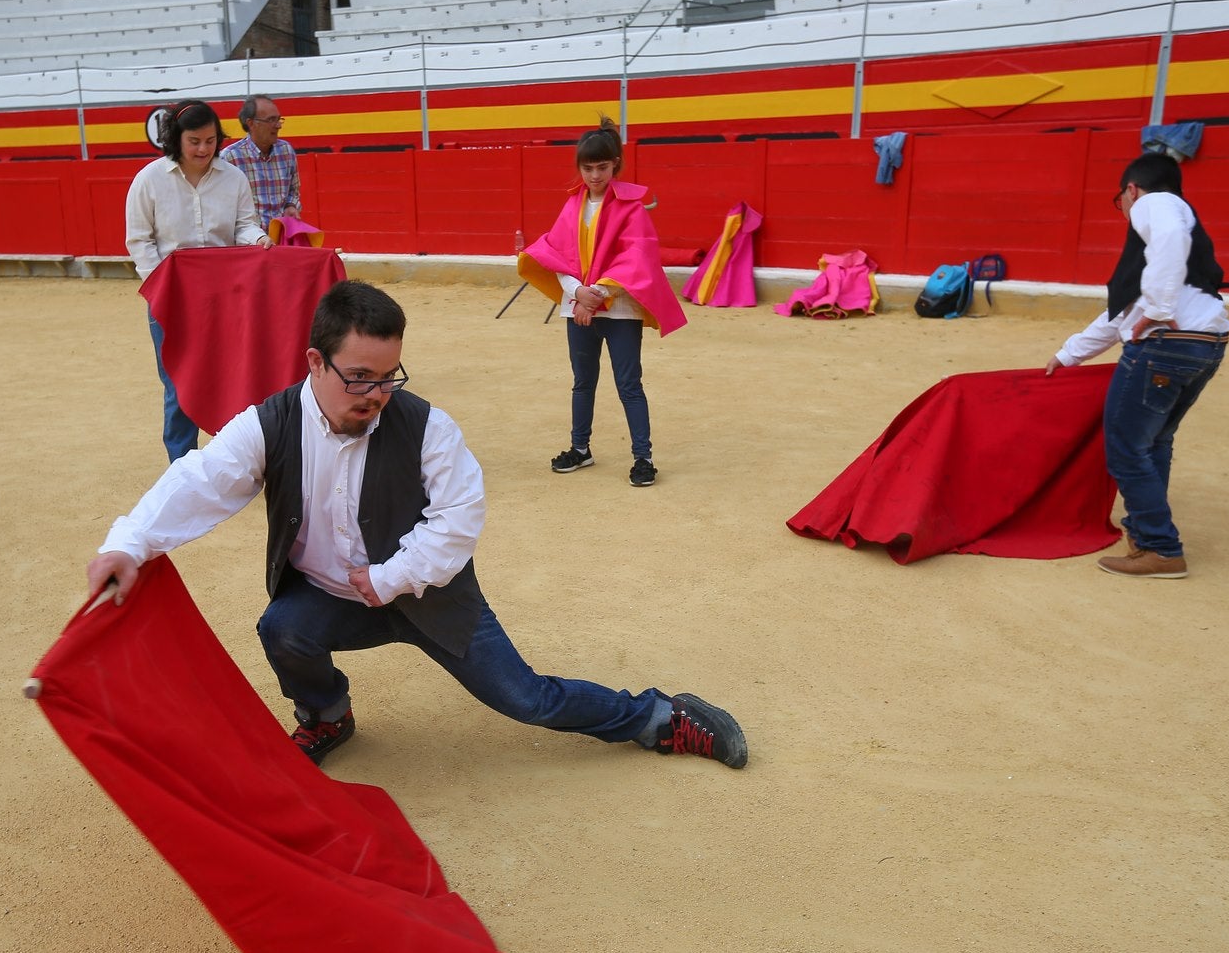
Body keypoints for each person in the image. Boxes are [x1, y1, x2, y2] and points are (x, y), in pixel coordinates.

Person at [86, 280, 747, 771]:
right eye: (359, 378)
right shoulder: (269, 424)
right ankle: (326, 715)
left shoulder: (429, 426)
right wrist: (128, 543)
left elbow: (459, 519)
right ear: (315, 362)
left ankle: (660, 716)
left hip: (431, 597)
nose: (375, 394)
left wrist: (389, 578)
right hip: (331, 596)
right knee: (281, 629)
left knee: (527, 700)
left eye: (387, 377)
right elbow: (197, 483)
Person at [1045, 151, 1229, 579]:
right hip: (1205, 345)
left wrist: (1161, 308)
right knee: (1154, 444)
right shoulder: (1181, 229)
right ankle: (1146, 536)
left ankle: (1160, 548)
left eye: (1121, 201)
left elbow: (1149, 298)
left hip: (1165, 346)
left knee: (1128, 449)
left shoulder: (1155, 203)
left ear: (1131, 190)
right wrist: (1070, 354)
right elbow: (1124, 313)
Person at [517, 117, 685, 488]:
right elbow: (557, 255)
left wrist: (595, 297)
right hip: (579, 306)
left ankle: (643, 457)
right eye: (588, 168)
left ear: (616, 166)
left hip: (618, 310)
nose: (595, 175)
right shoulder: (572, 206)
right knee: (583, 382)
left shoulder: (632, 207)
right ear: (579, 168)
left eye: (602, 167)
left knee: (629, 383)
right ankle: (581, 449)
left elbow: (636, 261)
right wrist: (578, 293)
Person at [125, 99, 271, 462]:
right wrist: (161, 286)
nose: (204, 149)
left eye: (210, 140)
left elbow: (243, 226)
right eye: (195, 141)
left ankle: (236, 458)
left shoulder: (233, 177)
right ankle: (182, 465)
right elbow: (139, 240)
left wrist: (259, 239)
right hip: (171, 297)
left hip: (225, 295)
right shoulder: (149, 180)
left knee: (233, 377)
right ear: (177, 139)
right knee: (178, 383)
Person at [220, 94, 302, 229]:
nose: (278, 126)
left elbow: (293, 190)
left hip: (282, 237)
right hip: (249, 242)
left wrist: (291, 205)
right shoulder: (230, 158)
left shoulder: (286, 151)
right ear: (251, 123)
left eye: (278, 119)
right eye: (271, 120)